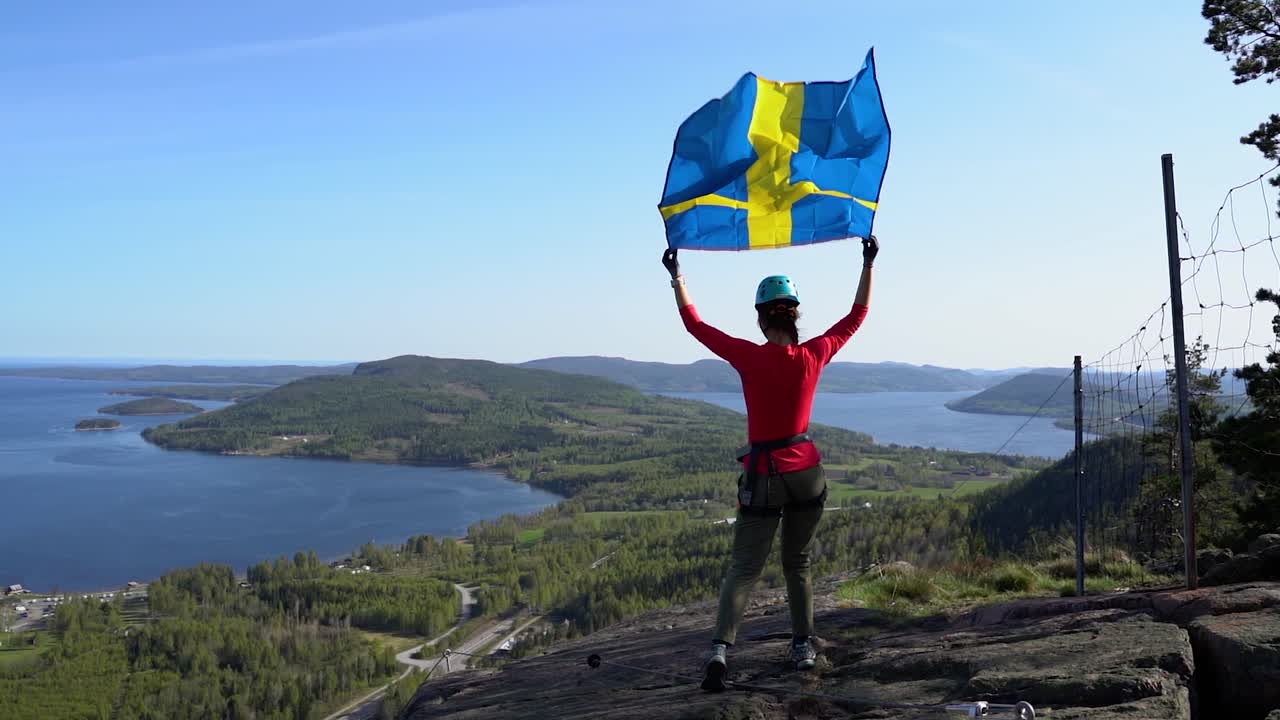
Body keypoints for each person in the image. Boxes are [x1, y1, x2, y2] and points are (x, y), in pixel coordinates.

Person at [661, 237, 877, 691]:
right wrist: (867, 261)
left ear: (761, 318)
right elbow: (856, 317)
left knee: (743, 567)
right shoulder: (813, 354)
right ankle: (802, 646)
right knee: (797, 562)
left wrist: (677, 277)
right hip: (805, 473)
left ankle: (720, 650)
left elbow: (694, 325)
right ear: (795, 315)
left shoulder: (749, 356)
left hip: (763, 476)